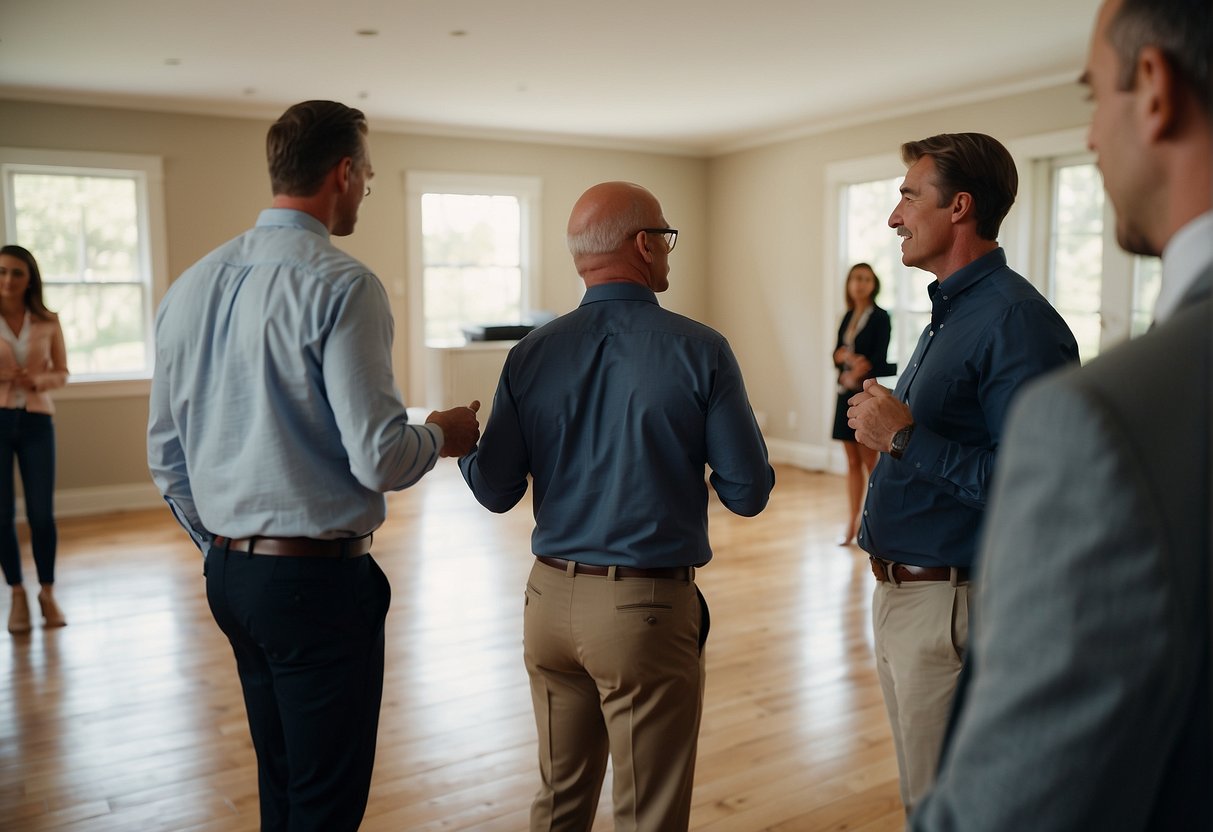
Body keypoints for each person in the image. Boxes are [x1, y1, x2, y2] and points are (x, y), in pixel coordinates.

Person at [911, 0, 1212, 827]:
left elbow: (1009, 803)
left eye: (1090, 99)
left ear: (1152, 88)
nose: (1085, 138)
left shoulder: (1097, 418)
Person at [147, 100, 480, 832]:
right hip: (314, 586)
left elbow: (165, 457)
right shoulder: (342, 283)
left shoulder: (190, 286)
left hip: (230, 578)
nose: (365, 185)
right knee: (326, 803)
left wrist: (224, 550)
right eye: (366, 172)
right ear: (342, 173)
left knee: (283, 784)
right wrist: (442, 433)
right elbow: (381, 457)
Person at [459, 181, 774, 831]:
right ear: (642, 245)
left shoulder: (529, 353)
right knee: (647, 815)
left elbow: (495, 490)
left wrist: (462, 448)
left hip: (546, 604)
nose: (668, 249)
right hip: (644, 612)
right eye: (665, 235)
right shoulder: (699, 349)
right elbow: (747, 493)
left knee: (558, 802)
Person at [846, 132, 1079, 813]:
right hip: (902, 598)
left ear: (959, 208)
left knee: (946, 807)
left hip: (953, 608)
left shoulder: (1014, 321)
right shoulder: (948, 314)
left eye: (908, 196)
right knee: (924, 800)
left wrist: (905, 438)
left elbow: (1037, 487)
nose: (894, 216)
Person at [0, 245, 68, 634]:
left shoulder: (47, 320)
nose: (8, 280)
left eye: (16, 273)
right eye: (2, 272)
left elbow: (62, 371)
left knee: (41, 514)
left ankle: (46, 591)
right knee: (1, 516)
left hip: (37, 422)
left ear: (30, 279)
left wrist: (37, 380)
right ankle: (15, 594)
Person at [830, 262, 893, 545]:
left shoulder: (881, 317)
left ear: (874, 284)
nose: (860, 283)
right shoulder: (848, 315)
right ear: (849, 283)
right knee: (852, 461)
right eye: (856, 278)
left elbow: (879, 358)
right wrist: (845, 359)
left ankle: (875, 521)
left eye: (866, 279)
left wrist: (859, 367)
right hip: (844, 393)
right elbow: (835, 353)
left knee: (871, 462)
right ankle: (852, 522)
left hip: (866, 393)